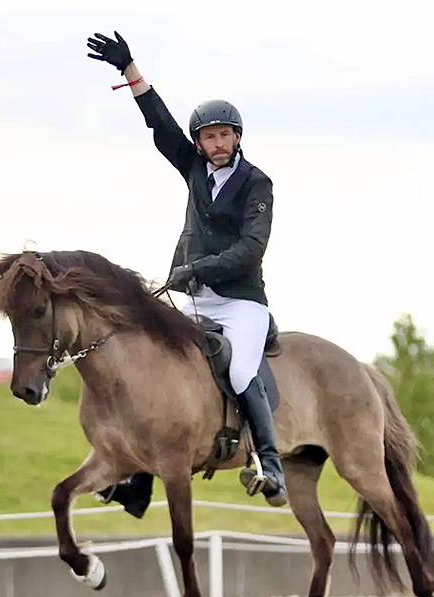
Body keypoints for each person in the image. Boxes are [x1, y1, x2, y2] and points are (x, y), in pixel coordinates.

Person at [86, 30, 287, 514]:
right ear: (199, 143)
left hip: (240, 301)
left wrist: (195, 267)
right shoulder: (194, 168)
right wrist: (129, 70)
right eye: (208, 136)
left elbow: (249, 250)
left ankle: (270, 463)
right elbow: (160, 125)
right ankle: (137, 478)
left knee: (239, 367)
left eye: (224, 135)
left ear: (237, 138)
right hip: (190, 294)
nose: (216, 144)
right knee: (148, 363)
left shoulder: (257, 184)